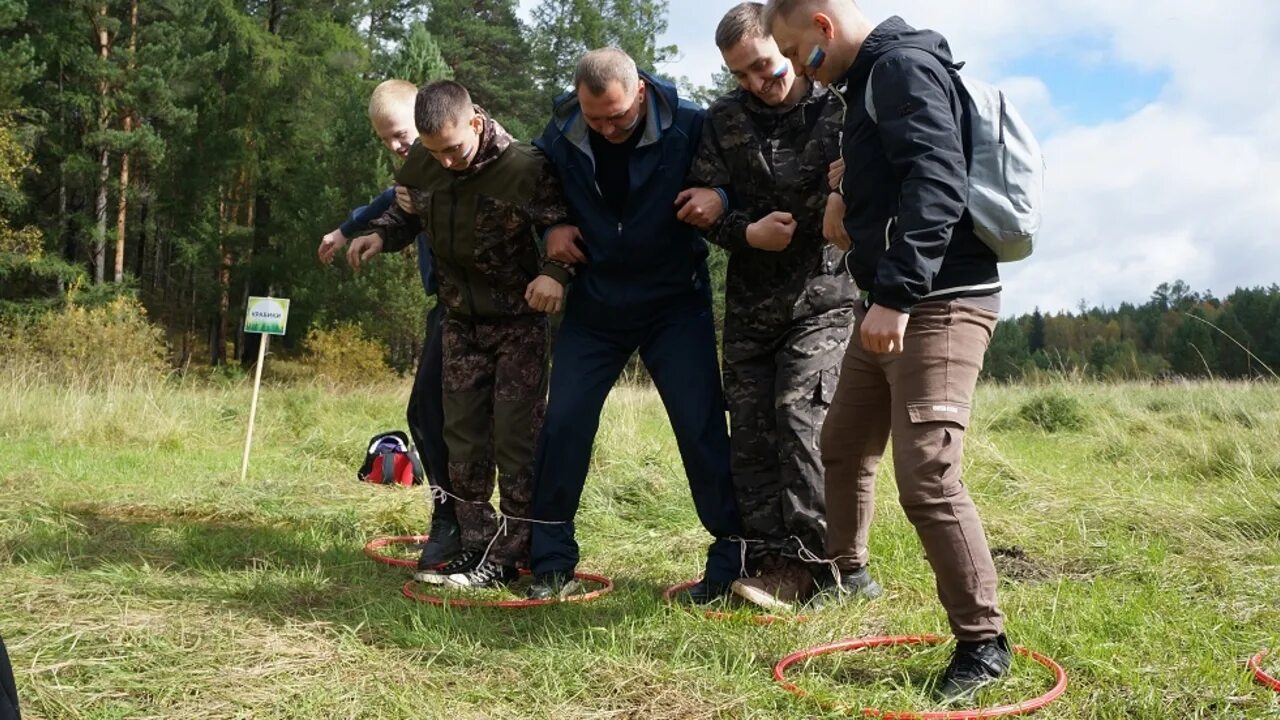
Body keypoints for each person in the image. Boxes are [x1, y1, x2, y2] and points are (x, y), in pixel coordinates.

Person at [765, 0, 1011, 700]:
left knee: (928, 478)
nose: (799, 73)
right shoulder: (868, 81)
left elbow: (938, 182)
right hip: (892, 304)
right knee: (842, 445)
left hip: (937, 302)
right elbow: (901, 181)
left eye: (798, 54)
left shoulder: (901, 67)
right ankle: (849, 576)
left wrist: (897, 296)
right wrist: (848, 195)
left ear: (821, 23)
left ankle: (984, 644)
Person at [523, 48, 744, 602]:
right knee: (565, 421)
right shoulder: (559, 135)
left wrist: (718, 196)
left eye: (618, 115)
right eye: (595, 117)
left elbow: (741, 178)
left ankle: (730, 561)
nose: (607, 127)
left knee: (700, 427)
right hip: (596, 307)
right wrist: (551, 228)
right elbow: (536, 193)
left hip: (675, 303)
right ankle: (550, 562)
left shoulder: (691, 124)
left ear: (640, 91)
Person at [679, 1, 873, 612]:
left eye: (763, 65)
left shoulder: (838, 105)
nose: (756, 82)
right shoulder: (724, 120)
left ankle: (828, 569)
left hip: (824, 298)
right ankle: (768, 564)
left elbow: (874, 188)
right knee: (752, 437)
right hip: (750, 306)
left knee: (801, 422)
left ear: (783, 46)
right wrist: (744, 231)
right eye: (739, 74)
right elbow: (702, 207)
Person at [349, 81, 572, 588]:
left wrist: (555, 275)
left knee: (516, 440)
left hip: (517, 324)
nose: (445, 162)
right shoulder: (424, 163)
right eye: (434, 153)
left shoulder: (525, 168)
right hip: (460, 324)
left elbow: (563, 230)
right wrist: (378, 234)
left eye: (453, 149)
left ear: (475, 122)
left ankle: (514, 555)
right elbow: (407, 214)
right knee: (463, 442)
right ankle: (474, 548)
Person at [316, 79, 459, 569]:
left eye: (401, 134)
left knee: (463, 418)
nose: (398, 147)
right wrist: (347, 230)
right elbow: (389, 201)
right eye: (387, 140)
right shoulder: (415, 173)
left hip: (488, 306)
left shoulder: (464, 158)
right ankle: (448, 518)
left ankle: (487, 529)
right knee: (425, 411)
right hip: (446, 303)